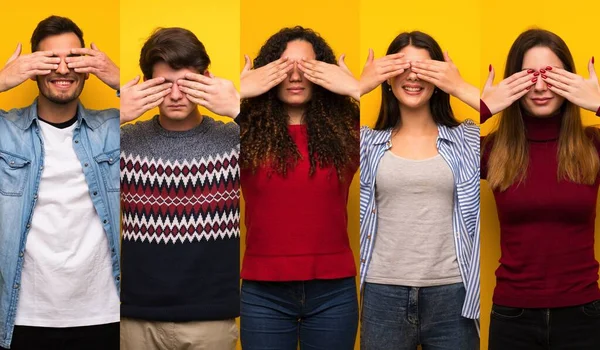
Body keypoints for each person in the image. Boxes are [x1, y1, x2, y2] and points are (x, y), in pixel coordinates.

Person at [0, 15, 120, 350]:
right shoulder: (5, 132)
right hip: (23, 318)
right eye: (51, 59)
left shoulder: (112, 128)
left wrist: (118, 78)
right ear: (32, 67)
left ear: (87, 66)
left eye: (74, 58)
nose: (63, 69)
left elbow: (165, 118)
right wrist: (2, 80)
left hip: (104, 315)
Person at [236, 26, 360, 349]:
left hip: (333, 293)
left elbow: (401, 132)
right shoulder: (243, 134)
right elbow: (196, 145)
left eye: (306, 67)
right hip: (263, 293)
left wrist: (355, 88)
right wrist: (236, 93)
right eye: (283, 67)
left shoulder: (348, 134)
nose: (294, 76)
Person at [119, 27, 241, 350]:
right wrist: (113, 117)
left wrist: (240, 109)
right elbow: (67, 164)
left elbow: (288, 164)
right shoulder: (124, 141)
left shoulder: (232, 140)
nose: (175, 95)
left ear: (207, 79)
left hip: (211, 321)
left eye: (185, 83)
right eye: (163, 85)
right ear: (146, 85)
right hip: (136, 319)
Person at [359, 31, 481, 350]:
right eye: (402, 66)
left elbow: (513, 123)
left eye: (425, 69)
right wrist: (361, 85)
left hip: (452, 294)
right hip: (382, 294)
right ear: (386, 77)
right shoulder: (365, 142)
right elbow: (313, 134)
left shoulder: (467, 138)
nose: (413, 75)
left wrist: (459, 86)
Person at [480, 28, 600, 350]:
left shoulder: (593, 145)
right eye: (529, 76)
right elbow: (430, 154)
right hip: (512, 317)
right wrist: (483, 108)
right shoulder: (492, 149)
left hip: (584, 316)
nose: (541, 87)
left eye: (552, 75)